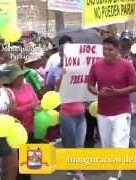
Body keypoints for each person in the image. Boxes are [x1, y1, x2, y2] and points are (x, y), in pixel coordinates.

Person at [87, 36, 136, 180]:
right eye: (104, 49)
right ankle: (114, 174)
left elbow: (135, 86)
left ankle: (116, 176)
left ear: (117, 50)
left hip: (122, 111)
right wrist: (97, 92)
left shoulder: (127, 65)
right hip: (103, 112)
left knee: (118, 143)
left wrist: (118, 92)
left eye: (110, 49)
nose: (106, 52)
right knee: (107, 145)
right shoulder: (96, 65)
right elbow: (90, 85)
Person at [2, 64, 40, 180]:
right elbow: (13, 112)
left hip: (31, 128)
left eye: (21, 75)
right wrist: (30, 106)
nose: (22, 77)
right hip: (17, 131)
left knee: (32, 162)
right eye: (19, 76)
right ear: (12, 79)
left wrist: (38, 106)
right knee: (17, 165)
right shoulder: (7, 92)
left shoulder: (28, 86)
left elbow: (36, 101)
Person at [55, 46, 86, 180]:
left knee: (79, 144)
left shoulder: (82, 73)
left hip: (81, 114)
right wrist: (64, 74)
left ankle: (77, 171)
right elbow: (56, 89)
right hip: (67, 114)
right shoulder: (62, 73)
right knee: (70, 144)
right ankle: (75, 171)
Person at [0, 65, 17, 180]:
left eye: (2, 75)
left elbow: (13, 111)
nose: (2, 78)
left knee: (13, 167)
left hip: (8, 134)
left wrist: (12, 109)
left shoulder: (7, 92)